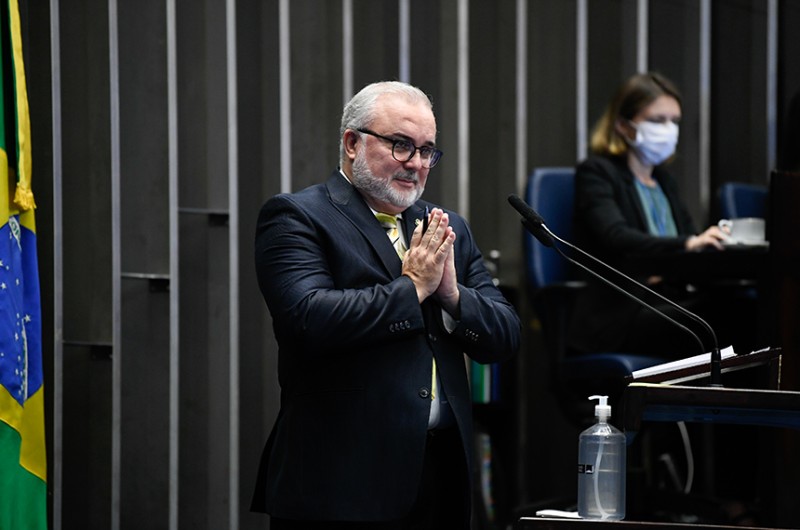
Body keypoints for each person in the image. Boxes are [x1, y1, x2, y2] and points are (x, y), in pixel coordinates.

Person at [250, 81, 521, 529]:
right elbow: (308, 319)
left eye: (427, 150)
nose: (416, 163)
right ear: (352, 143)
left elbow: (505, 337)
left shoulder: (444, 226)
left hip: (438, 475)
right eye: (401, 145)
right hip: (341, 478)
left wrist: (453, 296)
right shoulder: (298, 216)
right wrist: (413, 287)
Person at [568, 72, 734, 358]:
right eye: (657, 120)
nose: (668, 129)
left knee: (741, 305)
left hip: (669, 298)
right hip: (624, 310)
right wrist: (688, 244)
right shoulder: (597, 173)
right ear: (624, 126)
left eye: (674, 121)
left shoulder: (664, 181)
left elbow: (689, 237)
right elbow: (616, 237)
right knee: (715, 319)